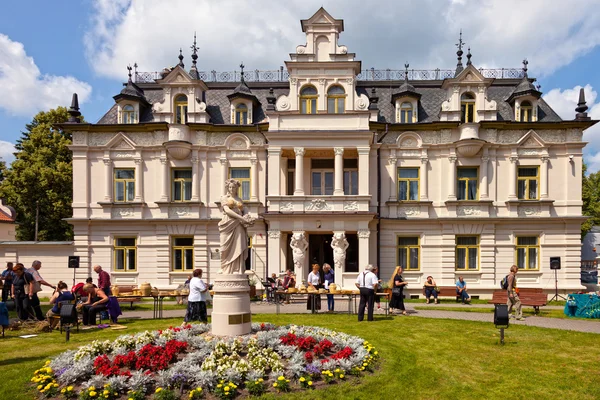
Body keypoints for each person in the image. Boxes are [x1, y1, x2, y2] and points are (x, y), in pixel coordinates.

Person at [219, 179, 255, 274]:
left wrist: (247, 216)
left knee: (238, 246)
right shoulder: (224, 198)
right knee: (224, 247)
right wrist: (242, 218)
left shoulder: (239, 200)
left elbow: (244, 210)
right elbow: (227, 211)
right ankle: (225, 268)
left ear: (237, 188)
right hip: (228, 223)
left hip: (238, 225)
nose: (231, 189)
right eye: (230, 187)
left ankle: (237, 269)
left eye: (233, 187)